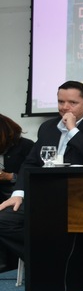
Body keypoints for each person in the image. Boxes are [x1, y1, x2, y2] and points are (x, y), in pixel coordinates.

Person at [0, 81, 83, 288]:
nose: (65, 107)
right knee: (4, 220)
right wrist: (18, 193)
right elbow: (31, 162)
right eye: (61, 102)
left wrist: (72, 130)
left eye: (72, 102)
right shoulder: (48, 127)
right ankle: (49, 259)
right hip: (47, 195)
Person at [0, 114, 34, 272]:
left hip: (22, 196)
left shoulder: (25, 146)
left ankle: (35, 256)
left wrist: (9, 177)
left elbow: (34, 176)